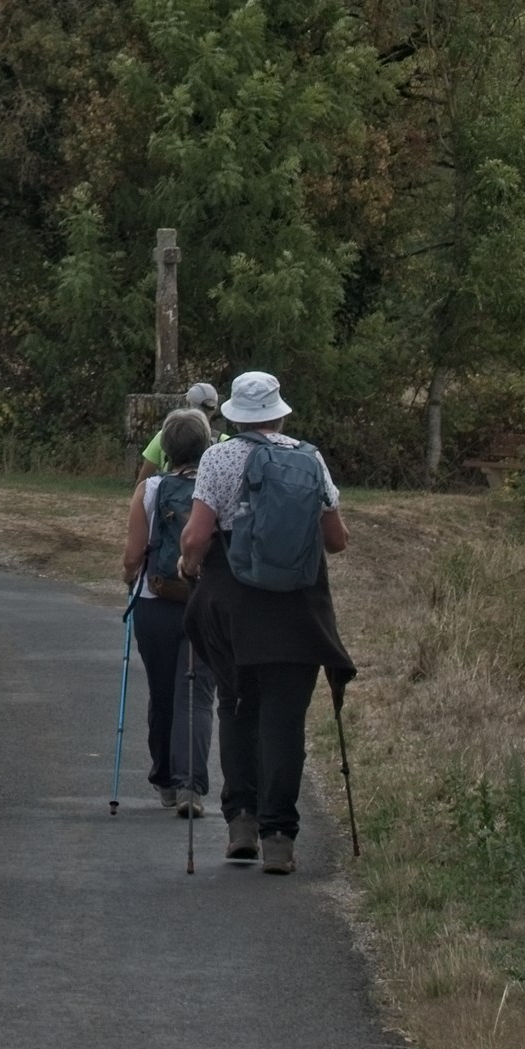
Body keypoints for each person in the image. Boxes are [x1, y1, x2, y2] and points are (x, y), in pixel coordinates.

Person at [180, 371, 354, 875]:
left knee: (236, 707)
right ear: (279, 413)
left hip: (233, 603)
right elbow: (336, 539)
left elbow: (196, 536)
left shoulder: (219, 456)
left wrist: (188, 570)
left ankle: (242, 822)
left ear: (233, 415)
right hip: (299, 609)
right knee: (284, 720)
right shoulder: (310, 458)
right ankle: (280, 837)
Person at [120, 406, 216, 816]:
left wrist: (128, 579)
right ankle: (190, 784)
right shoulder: (216, 489)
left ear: (166, 450)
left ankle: (163, 778)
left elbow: (131, 556)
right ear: (207, 446)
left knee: (162, 693)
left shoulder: (149, 489)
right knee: (196, 693)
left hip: (155, 604)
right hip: (204, 603)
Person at [133, 381, 222, 484]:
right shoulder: (223, 440)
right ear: (214, 409)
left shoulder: (164, 435)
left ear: (188, 404)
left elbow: (143, 480)